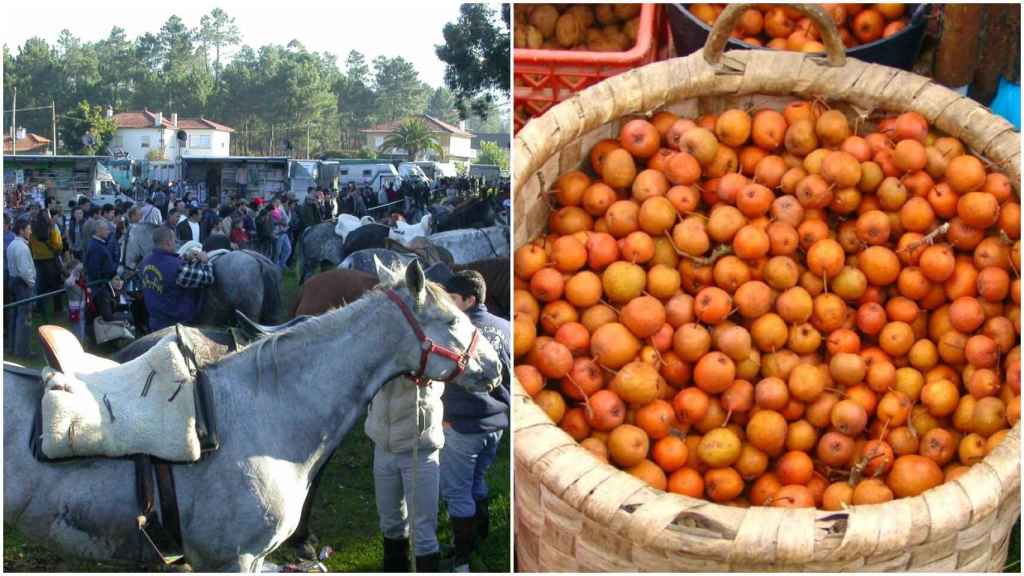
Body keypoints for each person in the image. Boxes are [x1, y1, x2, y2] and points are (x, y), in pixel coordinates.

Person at [440, 270, 511, 572]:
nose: (447, 305)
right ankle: (481, 534)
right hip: (496, 423)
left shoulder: (456, 331)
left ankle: (462, 559)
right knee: (478, 480)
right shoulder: (506, 327)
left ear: (469, 300)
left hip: (463, 424)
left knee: (457, 491)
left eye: (452, 299)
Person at [366, 368, 445, 572]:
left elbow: (450, 364)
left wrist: (429, 372)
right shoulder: (376, 338)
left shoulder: (430, 335)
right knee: (391, 525)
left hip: (419, 445)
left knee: (423, 533)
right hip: (383, 445)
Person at [139, 227, 215, 332]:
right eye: (175, 241)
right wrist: (206, 261)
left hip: (155, 322)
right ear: (168, 243)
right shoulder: (178, 268)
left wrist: (185, 258)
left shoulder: (146, 261)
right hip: (176, 327)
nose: (176, 244)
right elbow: (208, 278)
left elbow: (165, 267)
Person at [7, 219, 37, 357]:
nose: (30, 231)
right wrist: (31, 283)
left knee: (15, 316)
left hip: (14, 282)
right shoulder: (21, 247)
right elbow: (24, 271)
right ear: (21, 230)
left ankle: (12, 348)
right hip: (22, 284)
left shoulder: (13, 244)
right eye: (28, 229)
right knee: (25, 317)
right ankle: (23, 351)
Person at [29, 208, 64, 322]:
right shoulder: (51, 228)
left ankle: (40, 309)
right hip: (51, 260)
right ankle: (58, 310)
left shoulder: (32, 229)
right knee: (56, 286)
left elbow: (30, 245)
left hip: (37, 260)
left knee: (40, 286)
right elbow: (58, 245)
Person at [84, 220, 118, 284]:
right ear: (98, 230)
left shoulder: (99, 244)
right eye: (106, 230)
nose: (108, 232)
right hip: (101, 287)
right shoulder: (95, 247)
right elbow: (95, 272)